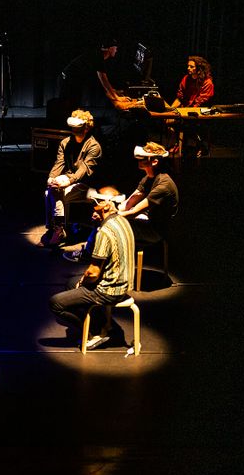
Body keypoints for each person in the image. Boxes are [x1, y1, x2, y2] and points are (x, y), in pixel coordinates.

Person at [49, 190, 135, 350]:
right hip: (123, 283)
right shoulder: (122, 220)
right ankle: (99, 322)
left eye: (98, 202)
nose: (93, 206)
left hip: (109, 290)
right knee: (71, 283)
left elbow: (93, 272)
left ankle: (96, 332)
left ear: (108, 205)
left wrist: (83, 281)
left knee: (55, 303)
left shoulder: (105, 232)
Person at [39, 109, 103, 248]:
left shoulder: (94, 146)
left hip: (86, 184)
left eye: (78, 128)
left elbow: (84, 170)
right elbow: (59, 163)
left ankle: (55, 230)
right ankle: (56, 230)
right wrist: (51, 178)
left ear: (86, 128)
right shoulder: (65, 143)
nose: (75, 130)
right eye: (73, 128)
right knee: (50, 190)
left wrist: (68, 182)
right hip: (70, 178)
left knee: (54, 192)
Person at [119, 142, 179, 249]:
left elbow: (134, 212)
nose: (139, 160)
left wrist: (111, 217)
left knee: (115, 227)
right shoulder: (147, 178)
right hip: (148, 221)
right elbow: (128, 203)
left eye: (142, 158)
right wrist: (112, 208)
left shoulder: (164, 185)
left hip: (157, 231)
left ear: (154, 161)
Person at [169, 55, 214, 157]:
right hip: (185, 110)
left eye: (191, 67)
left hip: (199, 113)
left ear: (199, 68)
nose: (188, 68)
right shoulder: (186, 79)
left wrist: (183, 113)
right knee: (169, 120)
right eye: (188, 66)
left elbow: (200, 103)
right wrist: (169, 111)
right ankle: (179, 144)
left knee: (185, 123)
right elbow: (179, 98)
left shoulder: (207, 83)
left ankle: (201, 147)